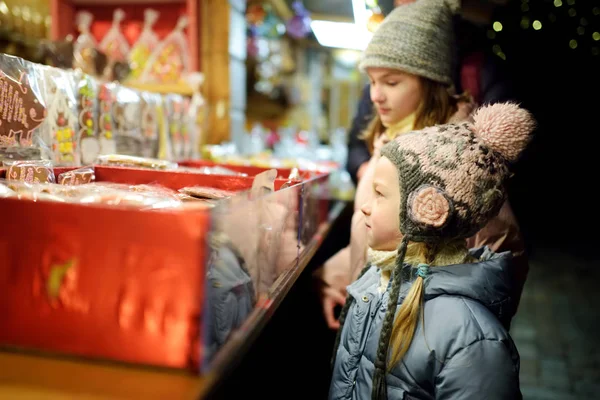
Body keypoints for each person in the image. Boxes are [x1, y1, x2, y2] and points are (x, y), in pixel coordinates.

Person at [316, 0, 528, 330]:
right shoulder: (389, 138)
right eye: (372, 81)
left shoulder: (453, 159)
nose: (375, 96)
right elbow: (377, 243)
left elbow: (500, 253)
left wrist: (436, 323)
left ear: (429, 81)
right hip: (376, 323)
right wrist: (337, 282)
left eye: (391, 82)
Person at [329, 101, 535, 399]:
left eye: (379, 194)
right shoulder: (377, 278)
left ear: (426, 211)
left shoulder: (470, 339)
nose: (364, 206)